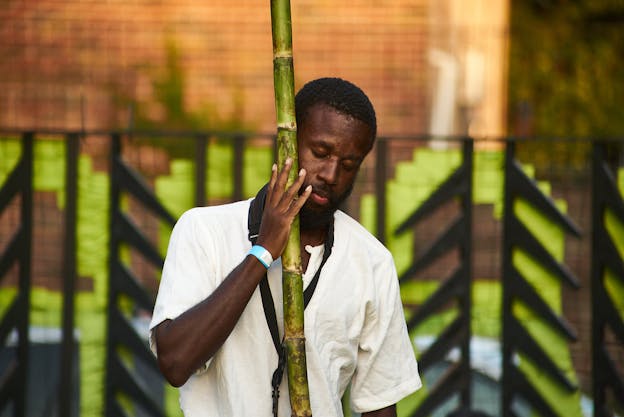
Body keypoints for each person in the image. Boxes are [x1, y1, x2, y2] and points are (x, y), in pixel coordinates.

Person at [149, 77, 422, 417]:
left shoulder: (371, 262)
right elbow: (175, 363)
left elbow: (380, 404)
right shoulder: (204, 231)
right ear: (287, 142)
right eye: (320, 153)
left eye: (349, 165)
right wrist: (262, 253)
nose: (331, 173)